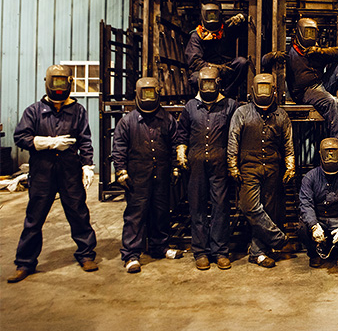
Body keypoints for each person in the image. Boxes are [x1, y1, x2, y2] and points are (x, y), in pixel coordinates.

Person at [8, 65, 98, 283]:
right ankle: (25, 263)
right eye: (55, 83)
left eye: (62, 83)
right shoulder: (34, 111)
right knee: (34, 217)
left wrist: (87, 165)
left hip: (69, 170)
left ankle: (86, 255)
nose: (58, 88)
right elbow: (21, 137)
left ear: (69, 83)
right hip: (42, 171)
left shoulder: (78, 111)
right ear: (47, 82)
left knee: (78, 213)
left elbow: (85, 139)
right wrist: (46, 142)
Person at [262, 18, 338, 160]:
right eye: (308, 32)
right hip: (305, 91)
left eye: (313, 32)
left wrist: (321, 52)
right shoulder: (290, 51)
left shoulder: (317, 51)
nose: (311, 36)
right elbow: (264, 61)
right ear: (299, 32)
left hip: (321, 86)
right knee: (333, 102)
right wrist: (273, 56)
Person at [112, 77, 183, 274]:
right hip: (137, 177)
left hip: (161, 174)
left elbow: (176, 144)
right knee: (136, 215)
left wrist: (176, 167)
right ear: (138, 94)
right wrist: (121, 171)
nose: (149, 98)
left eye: (152, 93)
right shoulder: (127, 121)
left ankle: (159, 247)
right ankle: (131, 254)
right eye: (146, 93)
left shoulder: (167, 120)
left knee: (160, 212)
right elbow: (119, 147)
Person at [227, 74, 294, 268]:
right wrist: (232, 165)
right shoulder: (242, 113)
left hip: (273, 168)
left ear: (274, 90)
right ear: (253, 89)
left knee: (269, 209)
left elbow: (288, 143)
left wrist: (290, 165)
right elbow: (233, 140)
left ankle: (258, 253)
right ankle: (277, 238)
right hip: (249, 168)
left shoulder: (281, 115)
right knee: (250, 207)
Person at [176, 67, 239, 270]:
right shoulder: (190, 107)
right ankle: (200, 252)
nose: (208, 87)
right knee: (197, 207)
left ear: (218, 82)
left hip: (220, 165)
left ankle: (220, 252)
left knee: (221, 208)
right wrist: (181, 152)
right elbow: (182, 132)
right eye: (204, 84)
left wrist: (233, 162)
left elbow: (235, 135)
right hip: (195, 164)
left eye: (211, 83)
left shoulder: (229, 106)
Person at [298, 138, 338, 268]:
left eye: (333, 153)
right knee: (302, 228)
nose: (330, 157)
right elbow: (306, 204)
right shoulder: (310, 177)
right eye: (327, 153)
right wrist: (313, 225)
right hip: (319, 220)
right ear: (321, 154)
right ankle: (314, 254)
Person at [185, 2, 250, 100]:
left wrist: (242, 17)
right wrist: (216, 68)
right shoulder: (197, 35)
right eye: (209, 15)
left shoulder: (227, 28)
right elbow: (194, 61)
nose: (212, 18)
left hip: (227, 69)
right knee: (195, 79)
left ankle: (227, 95)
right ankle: (206, 97)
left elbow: (250, 19)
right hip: (207, 71)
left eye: (214, 14)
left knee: (242, 63)